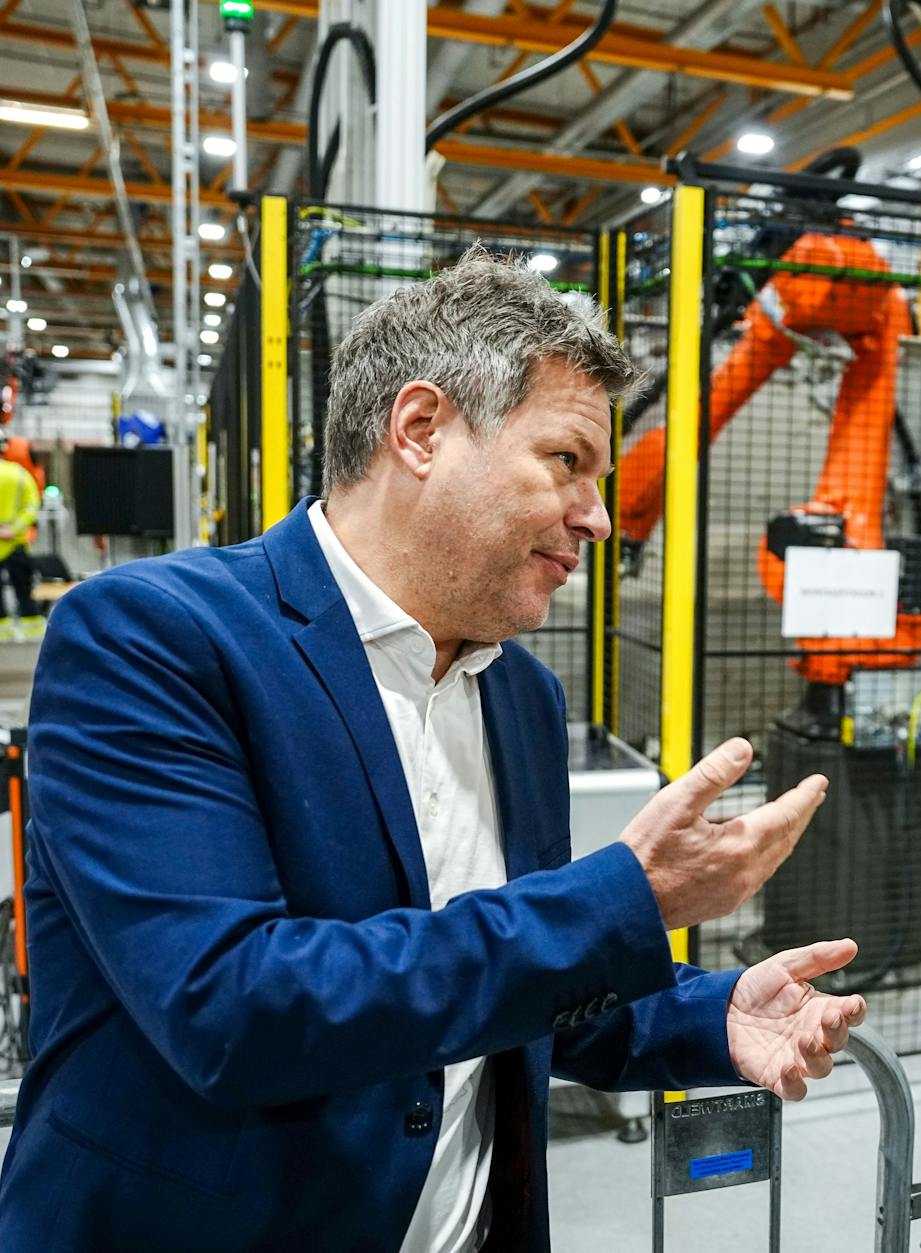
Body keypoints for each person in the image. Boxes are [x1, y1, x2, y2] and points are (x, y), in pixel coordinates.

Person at [0, 253, 866, 1251]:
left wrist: (709, 1014)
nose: (596, 512)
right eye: (567, 461)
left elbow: (522, 990)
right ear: (420, 430)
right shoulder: (154, 639)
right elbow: (232, 1006)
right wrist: (628, 894)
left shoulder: (521, 699)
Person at [0, 449, 41, 638]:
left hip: (12, 543)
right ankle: (32, 627)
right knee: (24, 588)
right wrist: (14, 529)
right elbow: (32, 505)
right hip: (15, 543)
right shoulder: (18, 473)